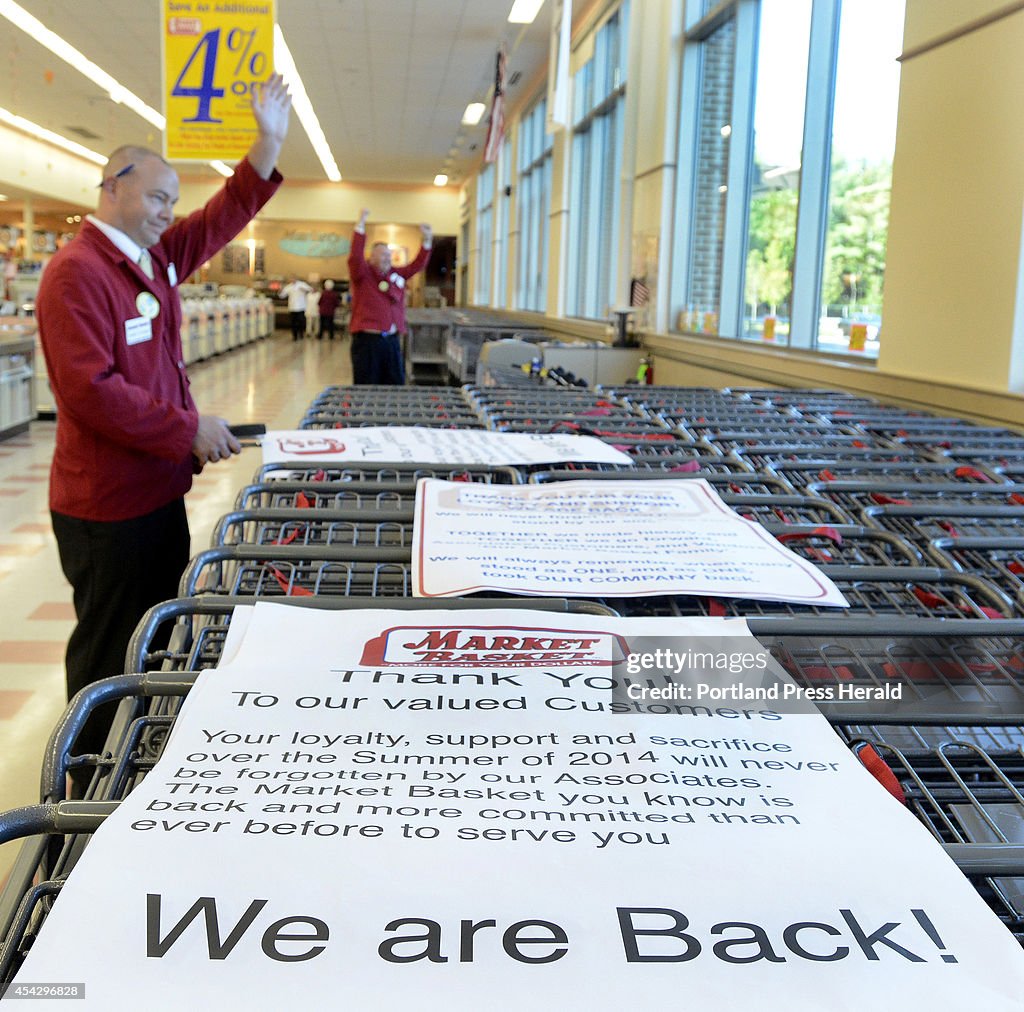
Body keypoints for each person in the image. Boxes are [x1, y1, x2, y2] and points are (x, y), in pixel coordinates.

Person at [36, 73, 291, 730]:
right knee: (105, 652)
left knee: (149, 635)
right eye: (155, 196)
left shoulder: (151, 260)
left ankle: (136, 748)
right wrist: (187, 429)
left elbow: (218, 219)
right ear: (111, 186)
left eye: (171, 201)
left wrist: (266, 144)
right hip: (108, 507)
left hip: (156, 490)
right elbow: (90, 393)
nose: (166, 211)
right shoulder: (78, 271)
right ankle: (79, 783)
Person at [347, 208, 432, 384]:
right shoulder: (363, 275)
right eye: (383, 255)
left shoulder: (397, 274)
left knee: (395, 385)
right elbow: (355, 257)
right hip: (368, 342)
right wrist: (360, 225)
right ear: (371, 258)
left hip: (392, 341)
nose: (388, 258)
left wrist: (427, 240)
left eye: (389, 255)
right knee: (366, 386)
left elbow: (417, 265)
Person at [280, 276, 312, 341]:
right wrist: (280, 290)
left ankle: (301, 334)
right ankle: (295, 336)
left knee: (301, 322)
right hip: (292, 308)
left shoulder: (301, 284)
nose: (292, 280)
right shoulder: (288, 287)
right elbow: (282, 296)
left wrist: (303, 289)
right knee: (293, 322)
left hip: (301, 307)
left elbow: (310, 289)